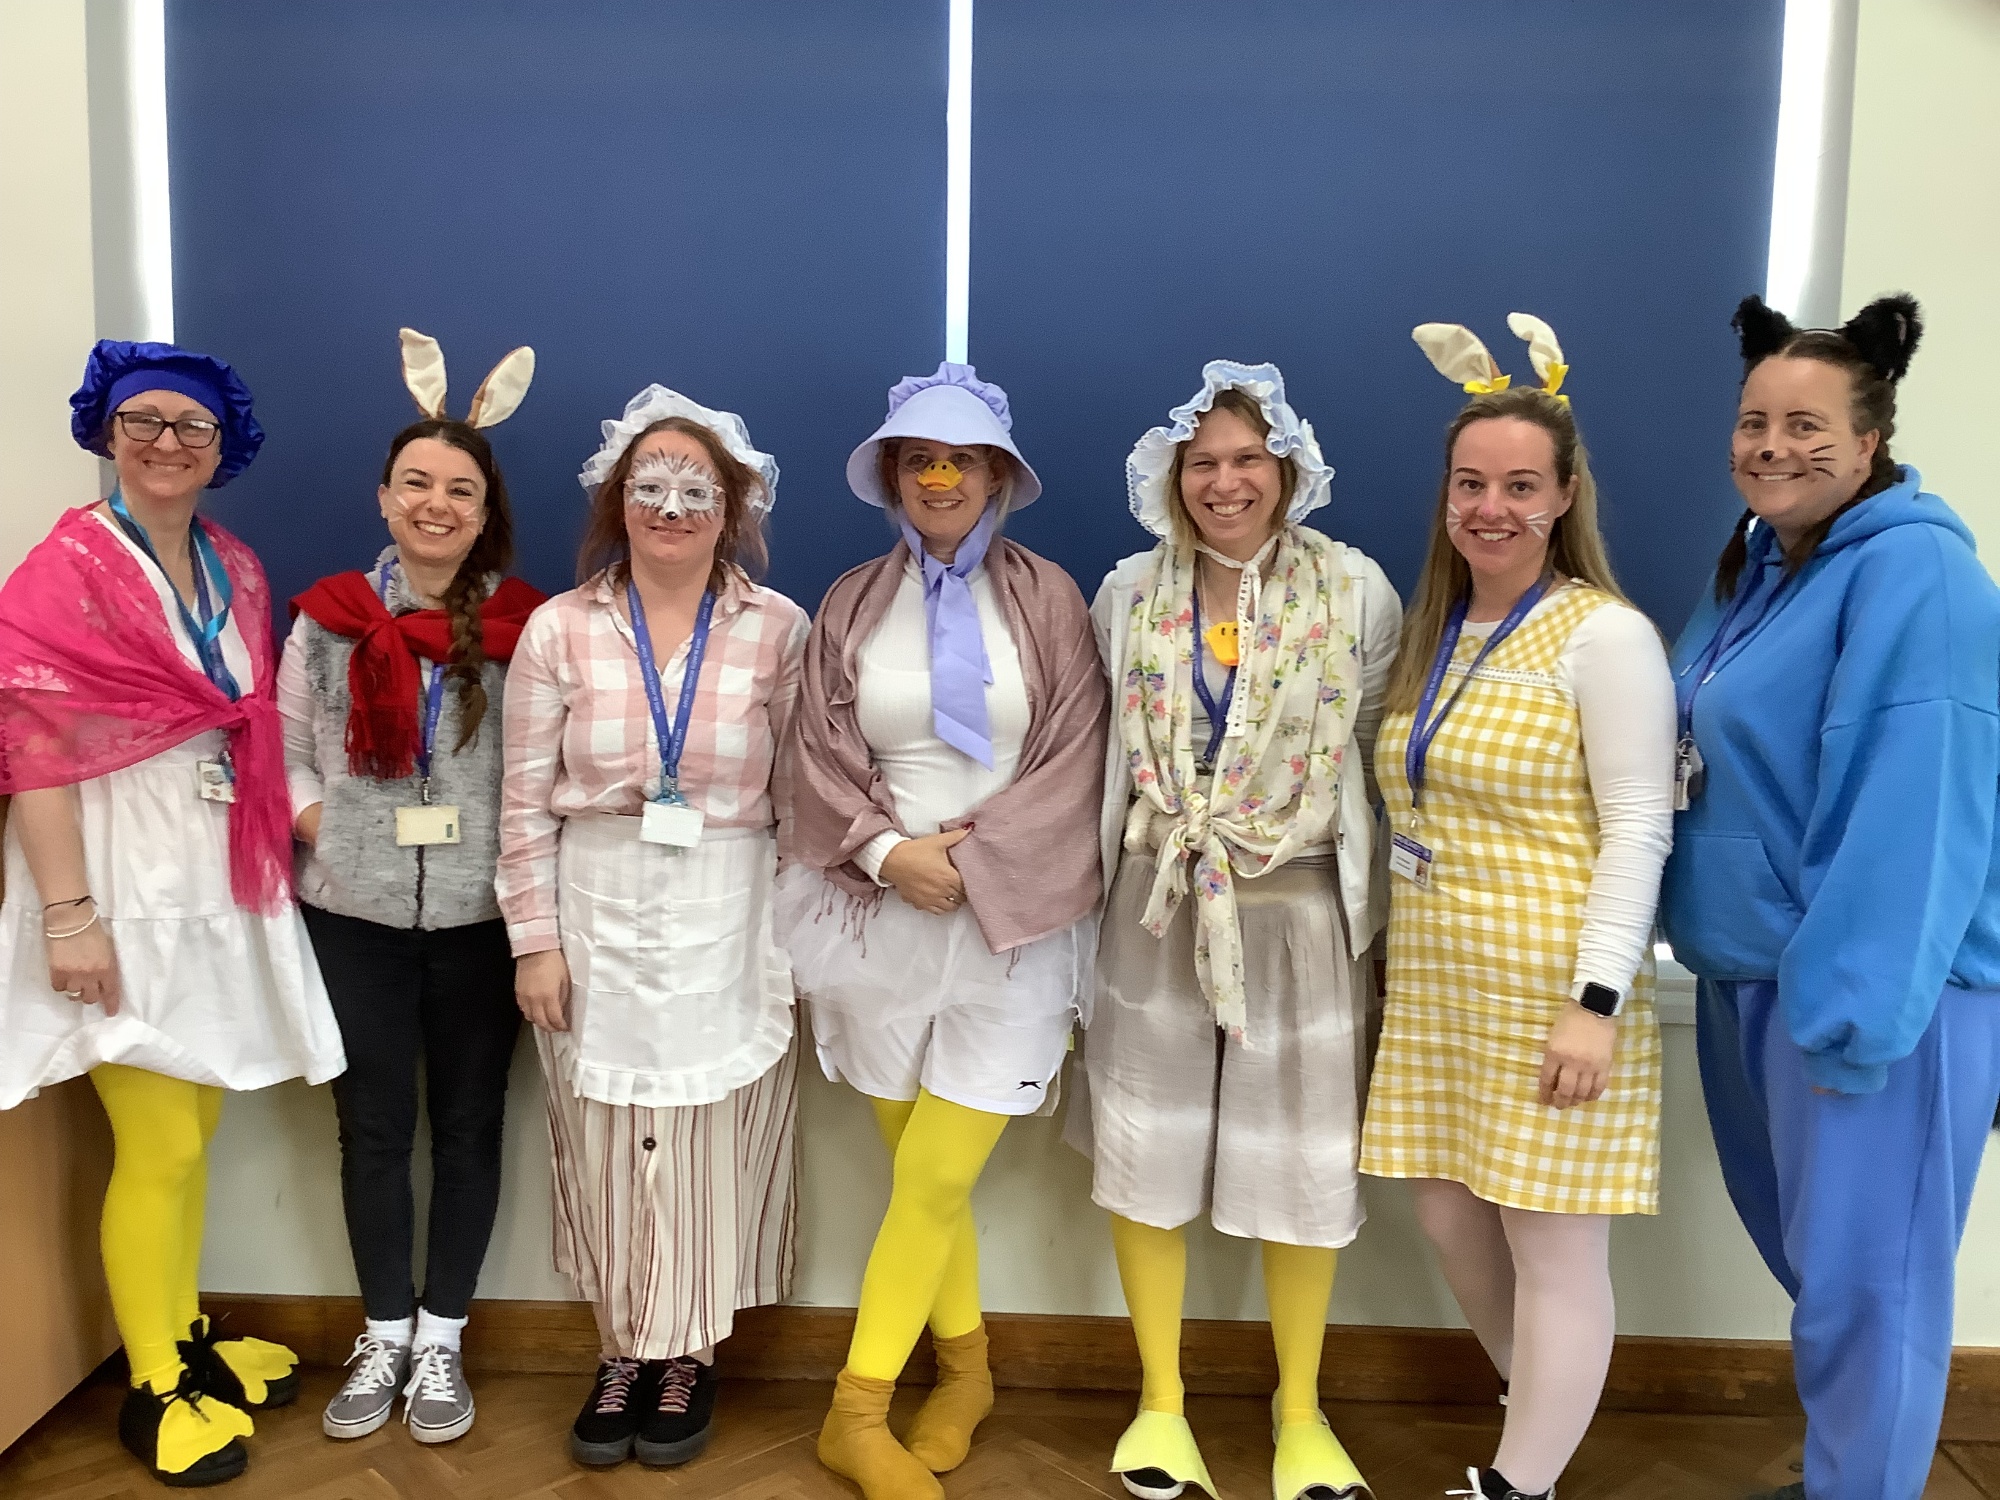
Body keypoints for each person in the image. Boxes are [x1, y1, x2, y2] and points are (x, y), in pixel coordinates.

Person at [1660, 294, 2000, 1500]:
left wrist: (1851, 1019)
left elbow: (1913, 817)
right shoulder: (1756, 563)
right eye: (1754, 421)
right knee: (1827, 1277)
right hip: (1754, 975)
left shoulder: (1917, 578)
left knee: (1871, 1289)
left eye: (1807, 425)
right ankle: (1844, 1477)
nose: (1771, 446)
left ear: (1870, 441)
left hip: (1868, 1002)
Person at [0, 340, 345, 1486]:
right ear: (104, 432)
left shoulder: (234, 567)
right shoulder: (65, 566)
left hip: (204, 877)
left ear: (221, 448)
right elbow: (30, 749)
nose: (164, 443)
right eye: (141, 421)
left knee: (191, 1134)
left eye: (189, 427)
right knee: (153, 1141)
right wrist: (66, 916)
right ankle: (153, 1388)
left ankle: (184, 1337)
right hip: (112, 881)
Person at [778, 362, 1108, 1500]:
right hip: (876, 920)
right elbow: (813, 758)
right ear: (889, 476)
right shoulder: (847, 604)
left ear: (996, 476)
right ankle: (965, 1373)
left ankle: (852, 1410)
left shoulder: (1052, 600)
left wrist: (975, 860)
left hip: (1009, 922)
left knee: (931, 1175)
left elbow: (1075, 758)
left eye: (960, 458)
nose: (937, 476)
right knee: (922, 1171)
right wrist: (885, 853)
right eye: (918, 458)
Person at [1359, 316, 1675, 1500]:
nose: (1490, 506)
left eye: (1519, 486)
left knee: (1550, 1239)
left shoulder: (1603, 635)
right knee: (1447, 1216)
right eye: (1469, 483)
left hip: (1555, 984)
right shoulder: (1436, 630)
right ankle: (1537, 1410)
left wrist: (1594, 1000)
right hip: (1443, 982)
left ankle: (1519, 1483)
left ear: (1563, 496)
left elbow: (1640, 823)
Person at [1084, 361, 1401, 1500]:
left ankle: (1301, 1410)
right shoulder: (1126, 592)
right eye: (1203, 461)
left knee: (1301, 1162)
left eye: (1246, 459)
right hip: (1158, 904)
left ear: (1287, 470)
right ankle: (1160, 1402)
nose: (1225, 482)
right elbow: (1104, 758)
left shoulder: (1354, 590)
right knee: (1146, 1148)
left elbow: (1368, 751)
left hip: (1301, 909)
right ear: (1172, 476)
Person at [497, 383, 809, 1471]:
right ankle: (621, 1348)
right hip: (594, 905)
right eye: (650, 487)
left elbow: (805, 797)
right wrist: (533, 938)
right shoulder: (558, 629)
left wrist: (797, 938)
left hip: (731, 903)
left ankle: (690, 1353)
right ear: (614, 500)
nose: (670, 508)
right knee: (606, 1138)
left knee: (709, 1132)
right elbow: (520, 801)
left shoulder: (779, 630)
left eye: (695, 489)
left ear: (732, 506)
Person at [281, 330, 545, 1444]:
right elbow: (287, 748)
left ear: (485, 513)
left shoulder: (530, 629)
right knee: (374, 1130)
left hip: (484, 923)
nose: (436, 505)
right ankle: (381, 1334)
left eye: (460, 490)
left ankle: (442, 1340)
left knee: (474, 1126)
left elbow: (546, 772)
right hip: (356, 919)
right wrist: (325, 832)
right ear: (384, 498)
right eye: (417, 485)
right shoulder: (329, 616)